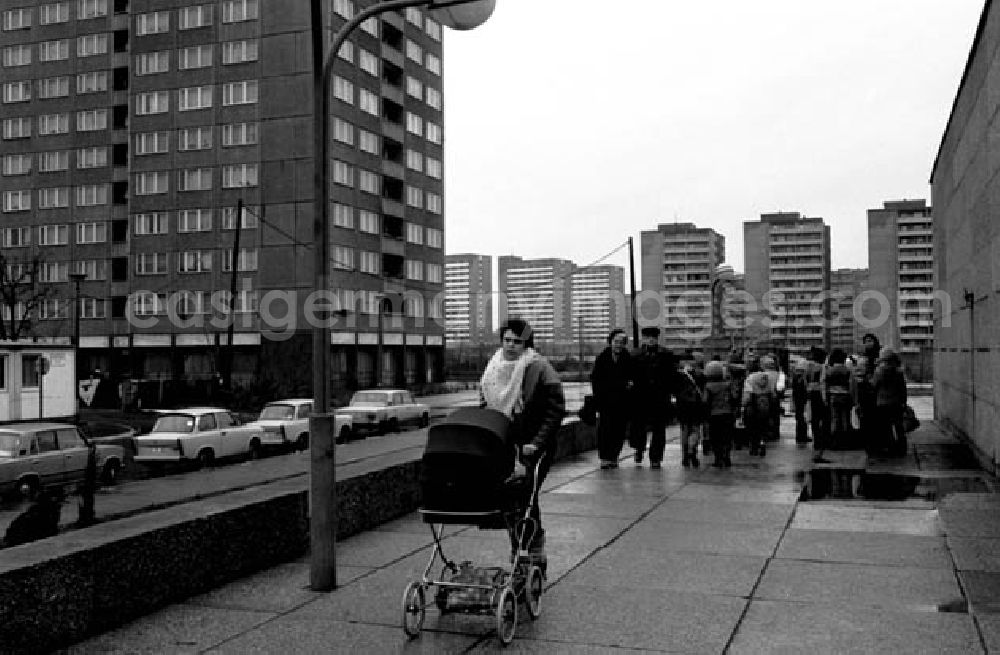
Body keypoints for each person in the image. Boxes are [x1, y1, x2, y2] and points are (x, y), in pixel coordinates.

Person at [479, 318, 566, 569]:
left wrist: (537, 443)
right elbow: (484, 403)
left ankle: (533, 548)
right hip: (505, 441)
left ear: (526, 343)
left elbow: (555, 410)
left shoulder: (539, 366)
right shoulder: (493, 366)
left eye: (518, 341)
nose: (511, 345)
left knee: (527, 493)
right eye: (507, 340)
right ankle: (519, 546)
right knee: (509, 497)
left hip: (534, 445)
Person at [629, 326, 676, 469]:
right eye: (648, 337)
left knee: (659, 429)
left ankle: (655, 458)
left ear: (657, 339)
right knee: (638, 427)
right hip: (640, 397)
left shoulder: (666, 354)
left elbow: (671, 376)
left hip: (660, 397)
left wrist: (670, 393)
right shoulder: (635, 354)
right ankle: (639, 448)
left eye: (653, 338)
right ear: (643, 338)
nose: (651, 340)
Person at [590, 329, 632, 469]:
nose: (618, 345)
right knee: (605, 429)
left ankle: (614, 456)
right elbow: (595, 379)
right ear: (611, 342)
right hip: (606, 401)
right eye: (616, 342)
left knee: (619, 430)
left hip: (622, 401)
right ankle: (604, 457)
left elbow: (633, 377)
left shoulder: (628, 358)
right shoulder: (602, 358)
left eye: (621, 342)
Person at [871, 346, 908, 456]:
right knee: (898, 426)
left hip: (882, 403)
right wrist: (904, 402)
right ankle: (902, 448)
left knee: (885, 427)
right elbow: (903, 389)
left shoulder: (879, 371)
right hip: (896, 402)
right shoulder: (898, 372)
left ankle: (889, 447)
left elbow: (874, 386)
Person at [703, 360, 737, 467]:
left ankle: (718, 458)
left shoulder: (708, 386)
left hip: (714, 415)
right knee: (727, 437)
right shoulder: (727, 385)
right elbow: (734, 397)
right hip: (727, 413)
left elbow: (705, 401)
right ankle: (727, 456)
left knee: (715, 437)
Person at [742, 365, 777, 457]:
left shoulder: (750, 379)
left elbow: (747, 396)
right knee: (763, 427)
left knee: (753, 427)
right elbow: (773, 395)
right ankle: (762, 443)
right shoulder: (768, 378)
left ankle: (754, 448)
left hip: (753, 406)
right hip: (766, 406)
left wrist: (744, 405)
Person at [674, 362, 705, 468]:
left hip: (683, 408)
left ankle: (685, 456)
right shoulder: (700, 376)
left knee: (684, 432)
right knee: (695, 430)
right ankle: (692, 449)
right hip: (696, 408)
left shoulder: (679, 377)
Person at [856, 333, 881, 444]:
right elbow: (859, 373)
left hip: (877, 390)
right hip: (865, 390)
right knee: (865, 416)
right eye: (866, 341)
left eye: (870, 340)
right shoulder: (862, 357)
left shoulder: (880, 355)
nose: (868, 343)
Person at [805, 346, 829, 451]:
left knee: (813, 419)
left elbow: (805, 381)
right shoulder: (822, 367)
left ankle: (816, 440)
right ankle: (821, 441)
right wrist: (824, 399)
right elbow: (823, 382)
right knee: (822, 418)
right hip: (819, 393)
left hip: (810, 392)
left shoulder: (808, 367)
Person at [790, 359, 811, 443]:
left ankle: (800, 436)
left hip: (798, 400)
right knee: (803, 418)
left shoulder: (795, 378)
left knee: (799, 418)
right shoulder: (802, 379)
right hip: (802, 400)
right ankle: (802, 436)